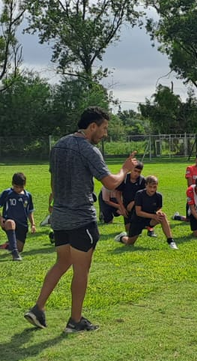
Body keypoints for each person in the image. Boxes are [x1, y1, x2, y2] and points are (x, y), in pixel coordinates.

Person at [24, 107, 138, 334]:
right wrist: (125, 169)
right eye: (104, 128)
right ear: (92, 126)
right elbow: (111, 183)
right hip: (81, 219)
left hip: (60, 217)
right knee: (81, 271)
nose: (105, 134)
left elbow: (53, 183)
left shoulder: (58, 145)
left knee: (62, 262)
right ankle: (75, 321)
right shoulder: (88, 149)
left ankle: (38, 308)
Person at [115, 175, 178, 249]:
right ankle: (121, 237)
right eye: (150, 187)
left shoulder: (158, 196)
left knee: (162, 217)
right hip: (137, 220)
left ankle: (171, 241)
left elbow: (158, 208)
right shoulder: (139, 194)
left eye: (154, 187)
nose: (152, 189)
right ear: (146, 185)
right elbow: (138, 212)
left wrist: (158, 212)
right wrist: (154, 216)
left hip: (149, 220)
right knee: (130, 242)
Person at [0, 172, 36, 262]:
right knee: (10, 223)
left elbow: (30, 211)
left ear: (24, 185)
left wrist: (33, 224)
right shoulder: (7, 193)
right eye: (16, 187)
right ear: (12, 184)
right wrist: (1, 218)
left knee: (20, 248)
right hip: (8, 222)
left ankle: (9, 245)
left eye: (21, 187)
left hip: (22, 225)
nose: (18, 189)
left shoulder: (28, 196)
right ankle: (15, 253)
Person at [120, 161, 151, 238]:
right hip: (126, 206)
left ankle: (150, 228)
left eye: (139, 172)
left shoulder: (142, 181)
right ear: (131, 169)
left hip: (138, 206)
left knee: (135, 230)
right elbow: (118, 193)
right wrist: (121, 207)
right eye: (135, 171)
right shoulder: (124, 178)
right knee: (129, 231)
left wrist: (134, 202)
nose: (136, 173)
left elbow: (145, 196)